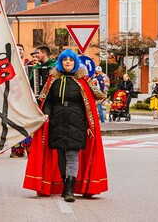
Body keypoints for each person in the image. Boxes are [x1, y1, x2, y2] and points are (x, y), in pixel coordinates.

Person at [23, 49, 108, 202]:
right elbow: (47, 101)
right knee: (61, 156)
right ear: (60, 62)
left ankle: (69, 188)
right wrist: (46, 113)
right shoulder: (53, 80)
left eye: (71, 59)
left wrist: (89, 124)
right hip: (57, 121)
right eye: (64, 59)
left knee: (72, 156)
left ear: (75, 62)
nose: (68, 61)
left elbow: (88, 104)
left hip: (77, 122)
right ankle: (65, 185)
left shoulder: (83, 81)